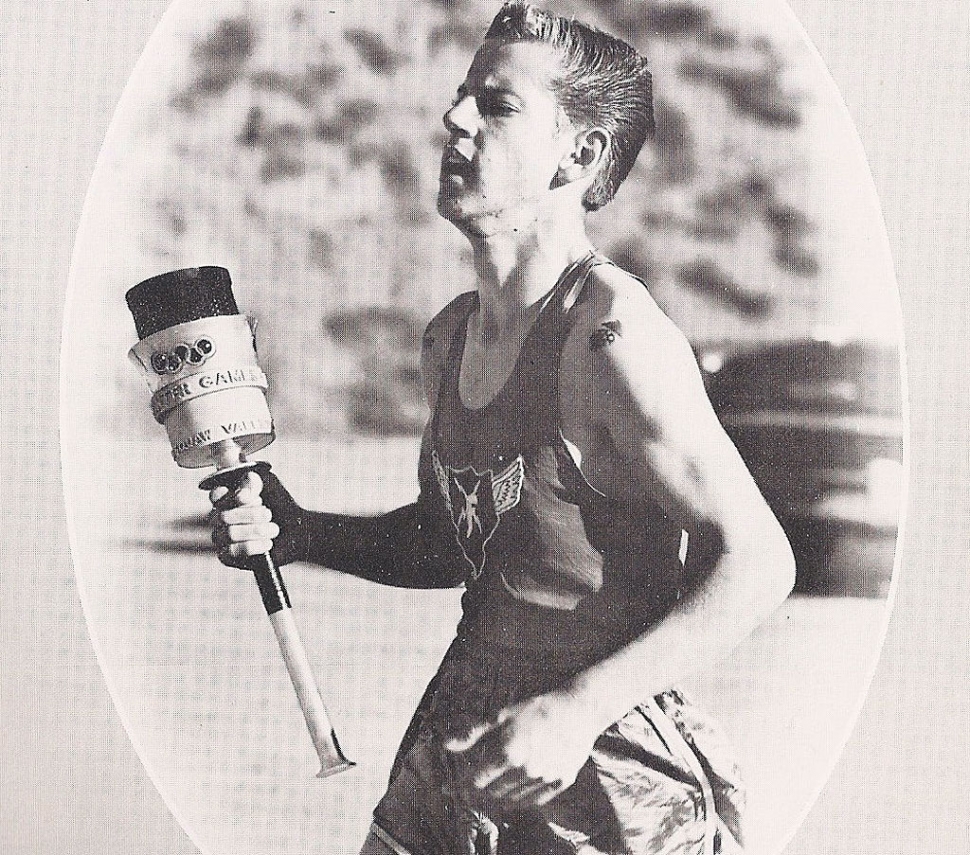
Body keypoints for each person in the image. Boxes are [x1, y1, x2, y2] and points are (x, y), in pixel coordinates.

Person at [210, 4, 796, 853]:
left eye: (497, 105)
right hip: (458, 743)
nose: (454, 119)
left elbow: (760, 560)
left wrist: (576, 710)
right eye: (460, 98)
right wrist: (303, 532)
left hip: (594, 770)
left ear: (580, 153)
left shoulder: (610, 338)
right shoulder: (449, 338)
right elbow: (450, 544)